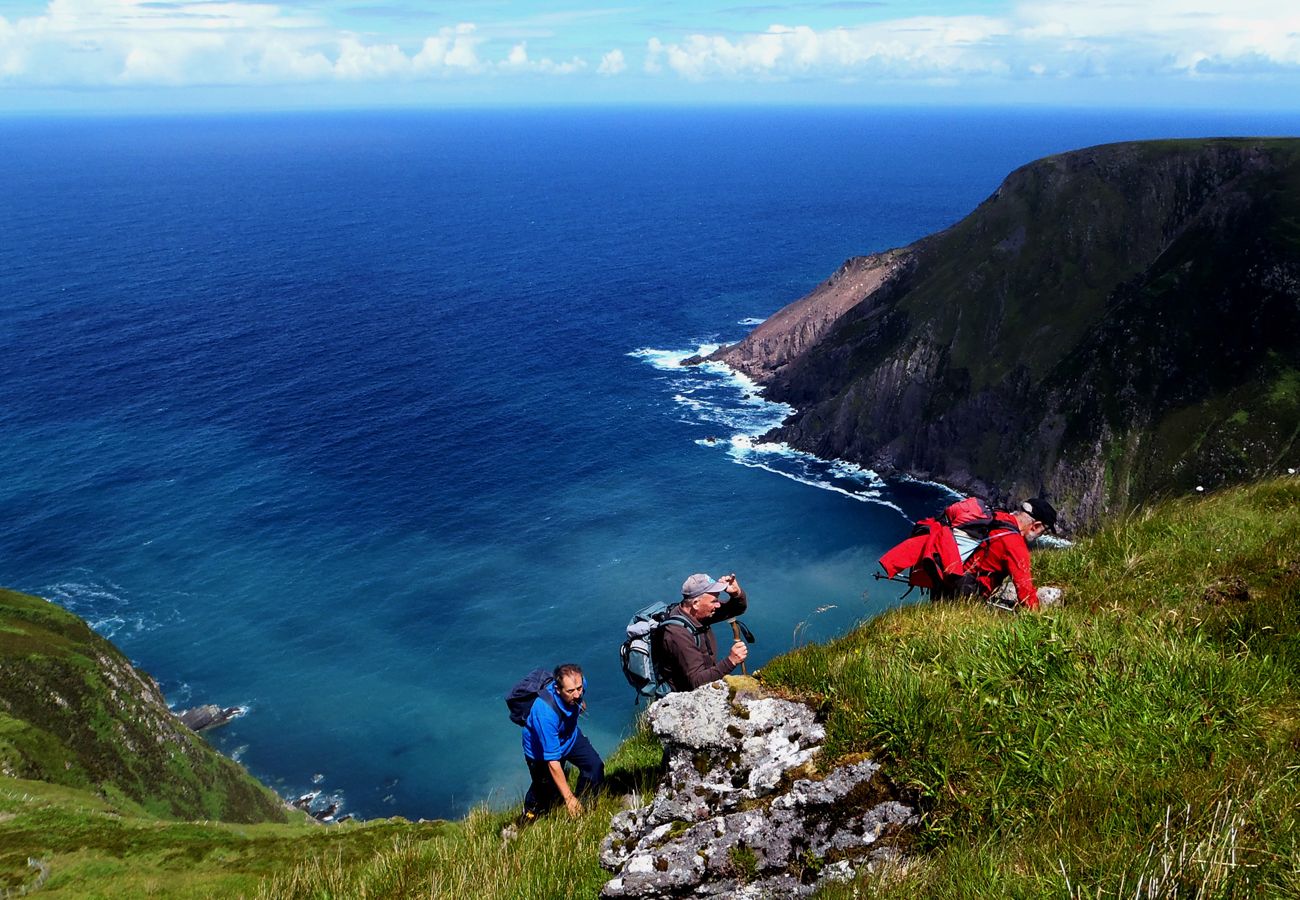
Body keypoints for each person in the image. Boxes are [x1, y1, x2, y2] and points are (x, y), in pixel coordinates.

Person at [521, 663, 604, 819]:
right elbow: (552, 760)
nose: (577, 694)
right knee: (545, 792)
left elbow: (579, 695)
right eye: (570, 691)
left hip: (569, 737)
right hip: (541, 752)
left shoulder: (578, 684)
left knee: (595, 766)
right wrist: (568, 798)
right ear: (558, 690)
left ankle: (584, 807)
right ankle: (528, 816)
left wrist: (580, 703)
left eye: (579, 689)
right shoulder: (544, 713)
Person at [654, 572, 749, 692]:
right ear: (695, 604)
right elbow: (697, 682)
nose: (718, 604)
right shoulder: (677, 634)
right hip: (685, 699)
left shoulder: (696, 613)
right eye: (714, 601)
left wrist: (736, 593)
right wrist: (731, 660)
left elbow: (736, 609)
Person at [960, 497, 1057, 611]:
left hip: (949, 577)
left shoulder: (997, 516)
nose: (1041, 536)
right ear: (1035, 526)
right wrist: (1038, 618)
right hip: (963, 595)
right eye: (1043, 531)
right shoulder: (1016, 547)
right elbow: (1026, 594)